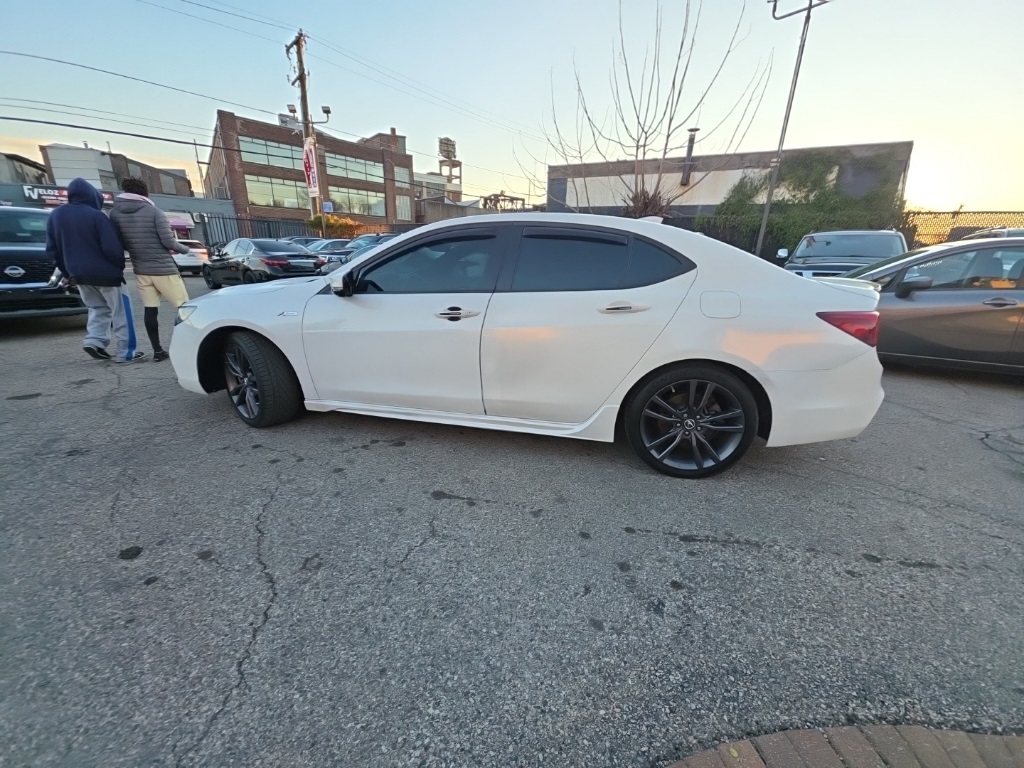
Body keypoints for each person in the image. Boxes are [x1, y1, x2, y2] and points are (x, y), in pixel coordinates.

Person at [46, 178, 145, 363]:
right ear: (93, 196)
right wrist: (118, 268)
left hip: (78, 274)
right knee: (121, 312)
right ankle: (126, 352)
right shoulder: (96, 216)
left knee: (97, 308)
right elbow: (111, 247)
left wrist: (67, 273)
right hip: (107, 274)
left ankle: (94, 340)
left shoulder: (55, 216)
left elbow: (52, 250)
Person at [109, 177, 191, 362]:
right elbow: (169, 242)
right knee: (185, 309)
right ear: (144, 192)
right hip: (164, 269)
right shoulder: (154, 212)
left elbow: (120, 243)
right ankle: (189, 346)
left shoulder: (115, 214)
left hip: (141, 270)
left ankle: (158, 351)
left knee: (150, 310)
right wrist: (185, 249)